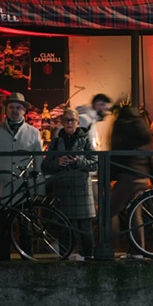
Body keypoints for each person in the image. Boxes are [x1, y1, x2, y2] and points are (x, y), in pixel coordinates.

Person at [0, 92, 44, 260]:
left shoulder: (33, 133)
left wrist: (39, 186)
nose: (15, 110)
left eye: (18, 107)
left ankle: (27, 262)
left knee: (26, 229)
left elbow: (38, 161)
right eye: (11, 107)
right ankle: (3, 263)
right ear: (6, 109)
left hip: (24, 187)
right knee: (2, 229)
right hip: (2, 186)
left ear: (24, 110)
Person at [42, 107, 97, 260]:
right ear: (62, 122)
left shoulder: (85, 140)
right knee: (63, 227)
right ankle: (64, 257)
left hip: (81, 188)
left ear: (77, 122)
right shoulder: (56, 141)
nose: (69, 123)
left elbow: (94, 163)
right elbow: (46, 166)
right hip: (62, 188)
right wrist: (58, 163)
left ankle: (89, 257)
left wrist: (78, 161)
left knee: (84, 226)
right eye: (66, 120)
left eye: (72, 120)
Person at [108, 104, 153, 255]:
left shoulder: (121, 125)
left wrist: (109, 175)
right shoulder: (142, 125)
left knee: (109, 211)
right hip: (141, 177)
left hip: (127, 176)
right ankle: (137, 252)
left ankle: (108, 248)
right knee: (134, 214)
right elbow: (150, 152)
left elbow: (116, 153)